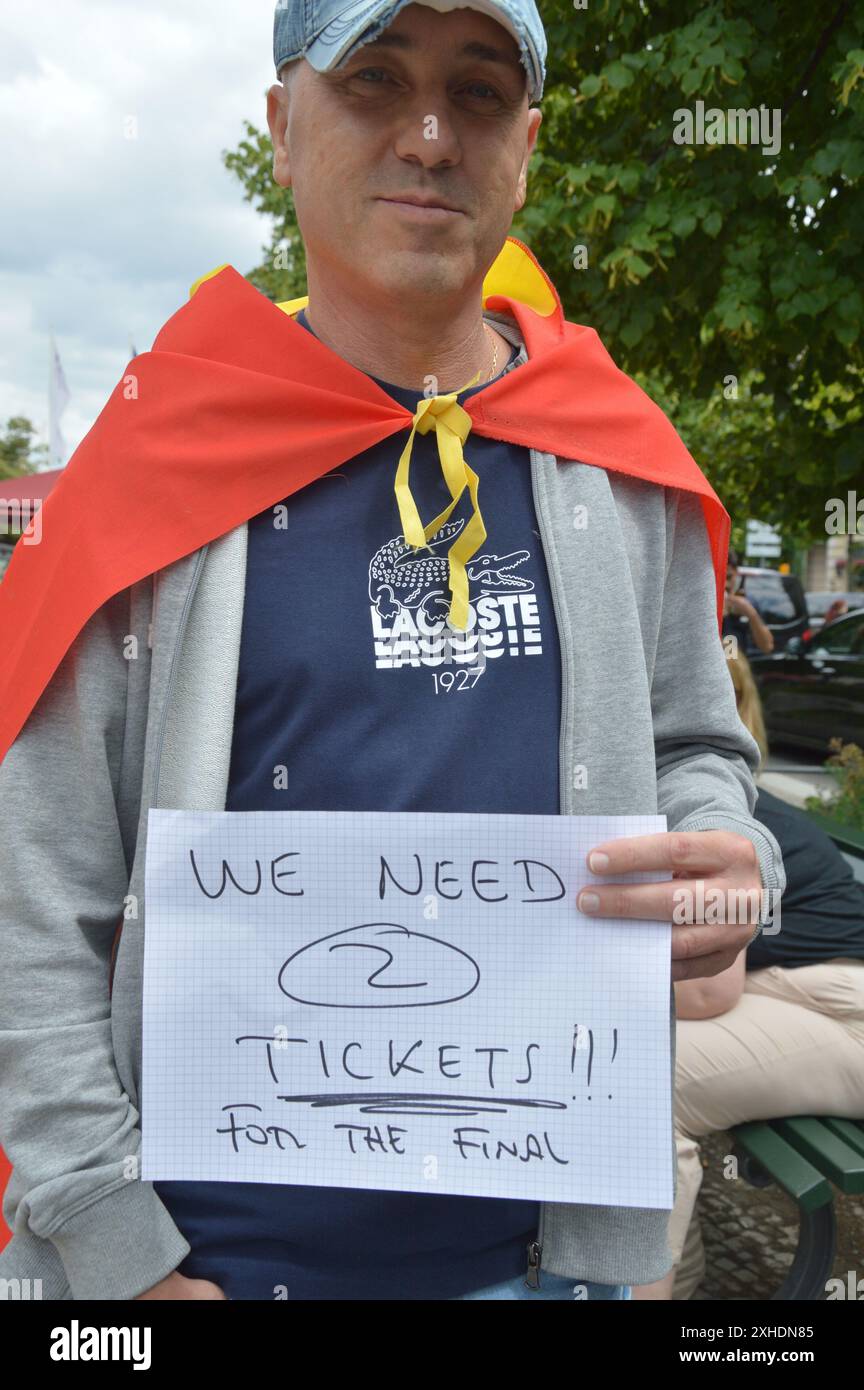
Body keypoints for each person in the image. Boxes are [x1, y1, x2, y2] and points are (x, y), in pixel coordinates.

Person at [0, 0, 785, 1302]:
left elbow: (697, 747)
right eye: (374, 81)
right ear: (280, 125)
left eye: (477, 92)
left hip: (548, 1269)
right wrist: (119, 1254)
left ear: (526, 143)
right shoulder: (150, 465)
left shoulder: (613, 456)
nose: (429, 135)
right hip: (205, 1273)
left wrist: (731, 864)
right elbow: (33, 890)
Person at [632, 649, 864, 1300]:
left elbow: (709, 992)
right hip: (804, 988)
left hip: (843, 1002)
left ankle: (655, 1288)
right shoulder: (708, 790)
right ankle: (678, 1276)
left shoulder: (702, 810)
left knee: (647, 1080)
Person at [722, 547, 775, 655]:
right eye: (721, 579)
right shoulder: (707, 605)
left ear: (736, 573)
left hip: (736, 669)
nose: (726, 585)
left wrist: (750, 613)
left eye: (729, 577)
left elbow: (767, 646)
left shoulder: (746, 603)